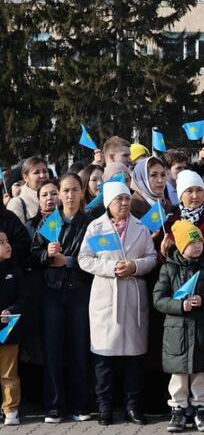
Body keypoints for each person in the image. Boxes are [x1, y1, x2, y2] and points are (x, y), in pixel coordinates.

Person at [77, 181, 158, 426]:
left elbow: (152, 257)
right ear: (108, 204)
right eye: (118, 200)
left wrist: (134, 266)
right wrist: (111, 268)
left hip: (133, 296)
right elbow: (84, 259)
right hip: (106, 296)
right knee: (104, 359)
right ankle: (105, 407)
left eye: (126, 199)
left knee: (134, 359)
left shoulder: (141, 228)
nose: (123, 204)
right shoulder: (96, 227)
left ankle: (133, 407)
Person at [30, 174, 93, 423]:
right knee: (53, 350)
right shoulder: (50, 222)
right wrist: (46, 254)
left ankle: (81, 404)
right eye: (64, 190)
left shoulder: (90, 223)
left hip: (79, 291)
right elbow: (33, 255)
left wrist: (70, 262)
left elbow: (97, 258)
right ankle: (54, 406)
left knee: (79, 349)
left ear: (81, 192)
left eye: (74, 190)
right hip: (52, 292)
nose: (69, 195)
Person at [153, 220, 204, 433]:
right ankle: (178, 411)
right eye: (192, 243)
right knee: (178, 376)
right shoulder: (168, 268)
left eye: (200, 242)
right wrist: (179, 305)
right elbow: (158, 299)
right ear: (181, 245)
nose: (197, 246)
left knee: (200, 375)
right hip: (177, 334)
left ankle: (200, 409)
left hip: (203, 332)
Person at [0, 231, 27, 426]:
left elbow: (25, 299)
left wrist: (11, 310)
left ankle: (11, 409)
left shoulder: (15, 272)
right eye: (1, 242)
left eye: (7, 241)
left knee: (9, 372)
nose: (7, 245)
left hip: (8, 330)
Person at [7, 156, 49, 225]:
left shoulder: (58, 198)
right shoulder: (16, 203)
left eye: (45, 171)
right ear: (26, 177)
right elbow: (17, 234)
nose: (42, 175)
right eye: (36, 172)